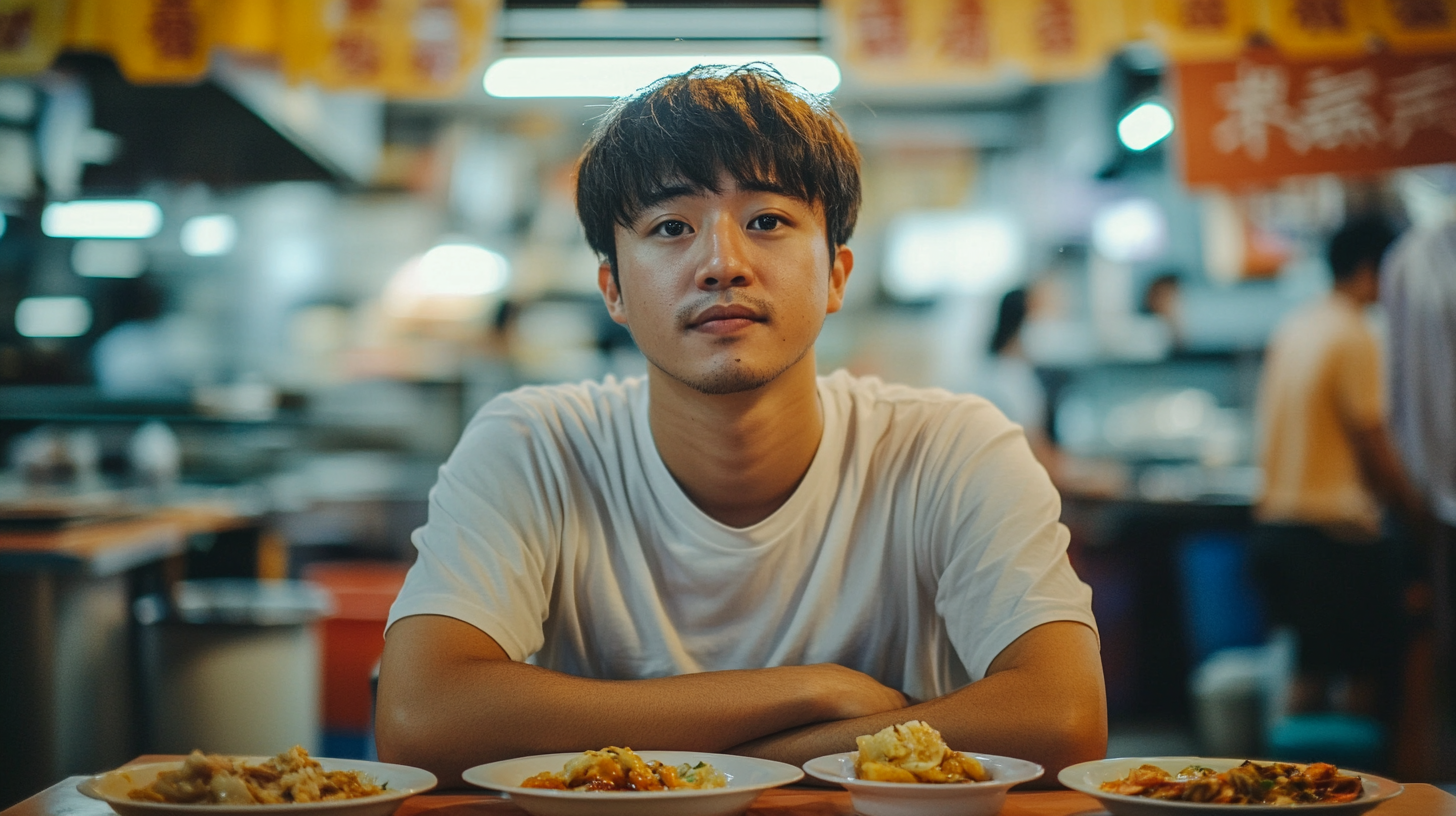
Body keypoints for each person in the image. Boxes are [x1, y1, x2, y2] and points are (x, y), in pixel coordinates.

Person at [374, 65, 1105, 785]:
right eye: (670, 227)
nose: (722, 263)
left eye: (767, 221)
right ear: (613, 290)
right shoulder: (536, 446)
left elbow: (1063, 719)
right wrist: (811, 690)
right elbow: (420, 719)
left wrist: (740, 765)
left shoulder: (951, 450)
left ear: (837, 275)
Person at [1251, 215, 1430, 719]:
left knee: (1308, 672)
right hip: (1335, 536)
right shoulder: (1355, 335)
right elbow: (1372, 440)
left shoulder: (1297, 325)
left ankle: (1291, 787)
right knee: (1361, 679)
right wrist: (1415, 512)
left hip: (1280, 528)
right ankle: (1352, 788)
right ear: (1371, 270)